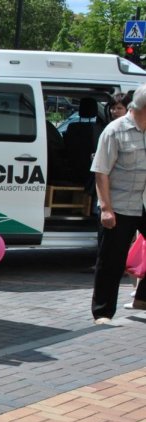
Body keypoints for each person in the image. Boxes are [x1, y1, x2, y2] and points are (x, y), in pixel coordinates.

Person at [89, 84, 146, 322]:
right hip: (119, 205)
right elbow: (101, 171)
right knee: (111, 261)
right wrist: (106, 209)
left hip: (143, 203)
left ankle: (142, 296)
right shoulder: (115, 131)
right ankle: (102, 312)